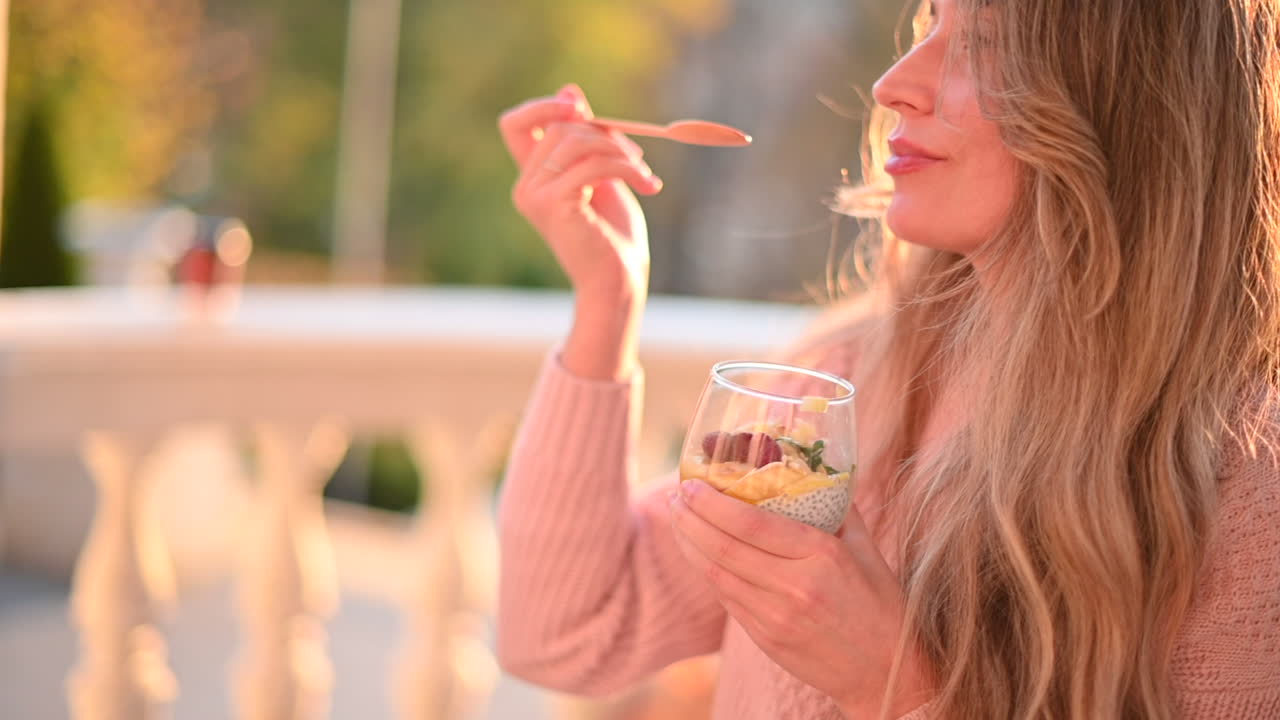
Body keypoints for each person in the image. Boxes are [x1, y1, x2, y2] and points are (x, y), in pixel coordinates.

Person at [493, 0, 1280, 717]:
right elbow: (567, 631)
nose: (892, 85)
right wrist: (607, 299)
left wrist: (893, 685)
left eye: (985, 45)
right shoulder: (850, 380)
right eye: (930, 24)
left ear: (1129, 107)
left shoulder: (1249, 490)